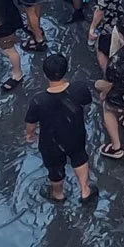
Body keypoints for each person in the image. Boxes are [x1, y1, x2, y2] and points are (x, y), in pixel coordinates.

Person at [25, 52, 97, 205]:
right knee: (79, 157)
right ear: (66, 70)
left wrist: (30, 135)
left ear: (45, 75)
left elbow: (31, 122)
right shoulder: (79, 89)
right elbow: (85, 106)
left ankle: (58, 194)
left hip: (51, 141)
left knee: (55, 167)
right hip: (75, 134)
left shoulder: (39, 100)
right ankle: (85, 190)